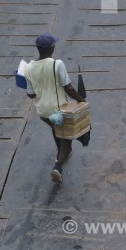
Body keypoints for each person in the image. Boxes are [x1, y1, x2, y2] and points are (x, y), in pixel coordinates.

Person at [24, 34, 86, 183]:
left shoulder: (28, 68)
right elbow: (69, 88)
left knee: (56, 128)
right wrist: (81, 101)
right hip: (59, 110)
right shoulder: (57, 64)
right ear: (51, 48)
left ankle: (62, 152)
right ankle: (58, 166)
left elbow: (31, 95)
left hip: (43, 113)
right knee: (66, 137)